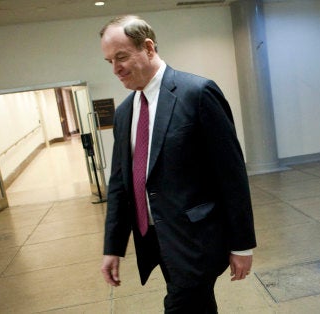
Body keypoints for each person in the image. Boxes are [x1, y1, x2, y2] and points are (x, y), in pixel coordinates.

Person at [99, 15, 257, 313]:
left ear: (148, 47)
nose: (116, 69)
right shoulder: (124, 113)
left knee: (181, 306)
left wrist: (242, 244)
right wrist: (113, 248)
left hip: (196, 239)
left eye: (121, 57)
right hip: (154, 239)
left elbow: (231, 175)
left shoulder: (196, 93)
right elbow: (120, 184)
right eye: (109, 61)